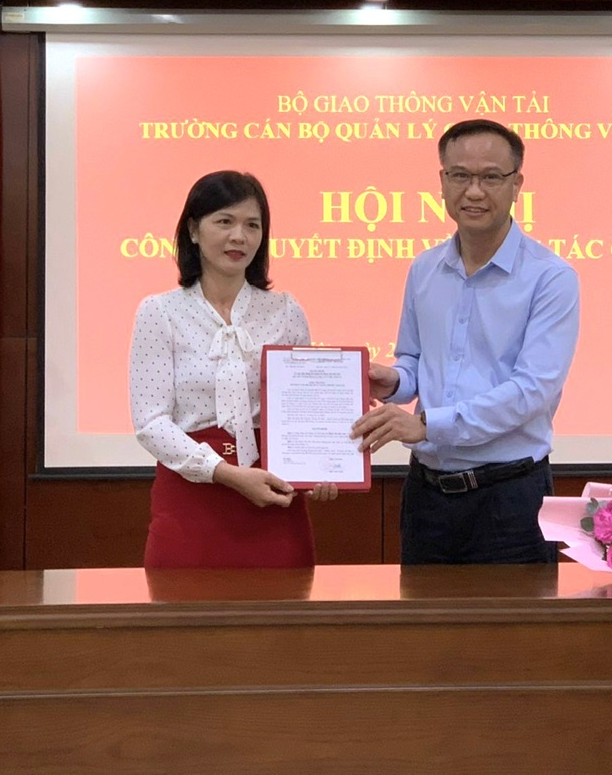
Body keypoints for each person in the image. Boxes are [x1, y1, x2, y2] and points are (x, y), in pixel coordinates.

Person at [351, 119, 579, 564]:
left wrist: (428, 425)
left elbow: (532, 391)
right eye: (460, 176)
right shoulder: (425, 269)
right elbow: (415, 360)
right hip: (427, 497)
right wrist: (393, 381)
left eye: (490, 177)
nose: (474, 191)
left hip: (509, 500)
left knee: (513, 614)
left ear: (516, 184)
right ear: (442, 181)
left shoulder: (551, 278)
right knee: (420, 614)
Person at [129, 170, 336, 569]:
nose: (239, 236)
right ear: (193, 230)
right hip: (190, 500)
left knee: (282, 609)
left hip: (273, 500)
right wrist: (226, 473)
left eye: (252, 225)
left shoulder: (286, 311)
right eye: (224, 221)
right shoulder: (160, 312)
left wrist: (323, 468)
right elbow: (151, 423)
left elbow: (305, 412)